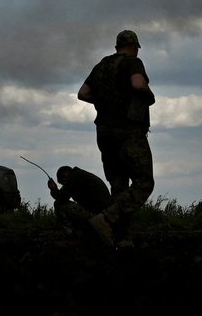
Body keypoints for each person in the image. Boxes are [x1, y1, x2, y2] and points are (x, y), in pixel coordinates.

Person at [78, 29, 156, 247]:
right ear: (134, 47)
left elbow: (82, 93)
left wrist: (103, 102)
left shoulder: (102, 65)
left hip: (104, 131)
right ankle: (106, 219)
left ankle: (122, 238)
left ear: (116, 46)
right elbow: (138, 84)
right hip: (128, 132)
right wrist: (148, 95)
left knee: (119, 186)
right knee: (143, 182)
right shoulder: (132, 63)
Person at [47, 165, 111, 233]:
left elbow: (62, 198)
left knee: (58, 204)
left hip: (98, 214)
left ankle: (70, 232)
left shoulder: (74, 177)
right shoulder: (79, 175)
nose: (64, 185)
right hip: (104, 211)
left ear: (65, 175)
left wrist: (54, 189)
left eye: (63, 182)